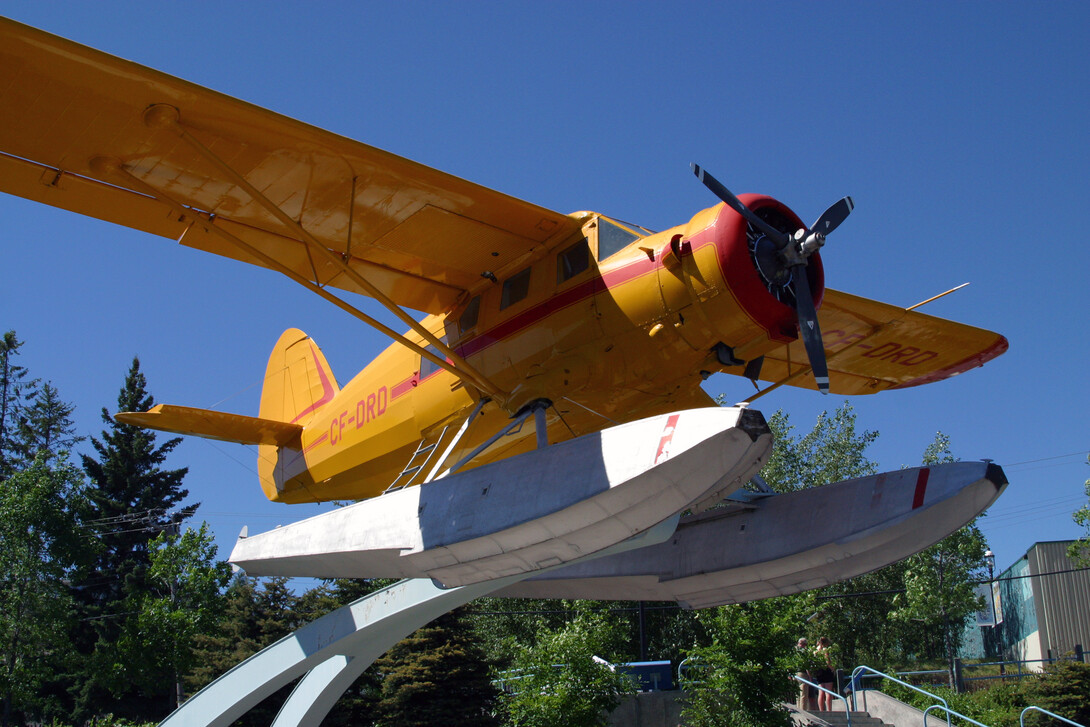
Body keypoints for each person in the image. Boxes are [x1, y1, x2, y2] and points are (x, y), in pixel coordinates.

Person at [814, 637, 837, 710]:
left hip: (819, 671)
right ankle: (829, 709)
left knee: (821, 692)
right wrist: (832, 669)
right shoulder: (825, 650)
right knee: (828, 692)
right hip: (826, 671)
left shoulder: (815, 651)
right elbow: (827, 661)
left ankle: (821, 710)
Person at [795, 638, 814, 711]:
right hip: (803, 674)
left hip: (795, 674)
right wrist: (810, 676)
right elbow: (807, 665)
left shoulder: (794, 651)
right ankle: (803, 711)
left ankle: (798, 710)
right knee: (803, 695)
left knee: (798, 695)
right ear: (804, 644)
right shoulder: (803, 652)